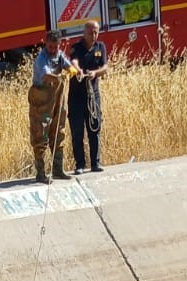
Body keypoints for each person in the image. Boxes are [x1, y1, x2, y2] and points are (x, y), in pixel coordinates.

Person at [29, 30, 73, 184]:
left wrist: (74, 70)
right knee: (41, 134)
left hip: (57, 100)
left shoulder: (59, 54)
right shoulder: (41, 59)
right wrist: (60, 77)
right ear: (45, 43)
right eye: (50, 46)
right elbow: (46, 76)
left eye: (56, 46)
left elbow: (68, 65)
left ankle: (57, 169)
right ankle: (40, 173)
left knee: (58, 131)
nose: (53, 50)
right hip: (41, 101)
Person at [69, 21, 108, 174]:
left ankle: (95, 163)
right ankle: (79, 164)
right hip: (76, 98)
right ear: (84, 33)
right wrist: (78, 70)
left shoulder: (100, 47)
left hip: (93, 97)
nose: (94, 35)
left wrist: (95, 73)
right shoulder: (76, 47)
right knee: (77, 132)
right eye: (91, 32)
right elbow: (74, 61)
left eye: (96, 32)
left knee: (95, 128)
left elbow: (105, 67)